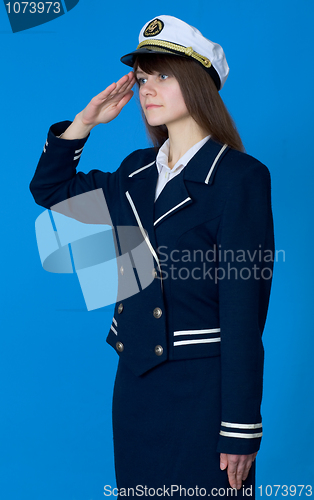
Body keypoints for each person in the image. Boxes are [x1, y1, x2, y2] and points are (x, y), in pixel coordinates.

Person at [30, 15, 274, 497]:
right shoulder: (136, 171)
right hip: (137, 385)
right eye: (143, 79)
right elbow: (51, 189)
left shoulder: (240, 177)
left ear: (199, 83)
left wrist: (240, 428)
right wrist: (85, 122)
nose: (147, 90)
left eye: (163, 75)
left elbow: (245, 313)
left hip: (204, 394)